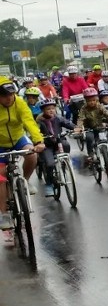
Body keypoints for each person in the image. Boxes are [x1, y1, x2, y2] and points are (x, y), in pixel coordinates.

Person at [0, 77, 45, 237]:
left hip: (18, 137)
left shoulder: (19, 102)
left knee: (32, 155)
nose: (9, 98)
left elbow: (29, 122)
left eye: (11, 94)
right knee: (1, 176)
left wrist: (38, 140)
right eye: (5, 95)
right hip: (0, 142)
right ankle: (4, 214)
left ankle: (24, 180)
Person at [36, 99, 75, 198]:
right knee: (49, 164)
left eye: (53, 108)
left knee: (66, 144)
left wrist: (75, 128)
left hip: (58, 142)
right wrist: (38, 139)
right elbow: (35, 131)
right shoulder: (39, 121)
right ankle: (49, 184)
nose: (51, 111)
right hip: (46, 145)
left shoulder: (58, 118)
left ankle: (65, 161)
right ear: (43, 111)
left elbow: (68, 124)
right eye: (48, 109)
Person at [77, 87, 108, 163]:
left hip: (100, 126)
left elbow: (107, 114)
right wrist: (79, 127)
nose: (92, 102)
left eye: (94, 100)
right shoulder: (83, 109)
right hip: (89, 128)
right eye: (89, 101)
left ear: (96, 99)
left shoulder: (99, 106)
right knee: (89, 138)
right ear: (86, 101)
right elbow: (80, 119)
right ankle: (90, 154)